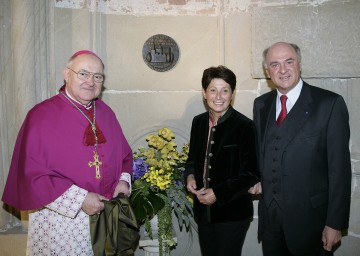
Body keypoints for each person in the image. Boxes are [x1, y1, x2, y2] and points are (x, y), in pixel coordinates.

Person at [2, 50, 133, 255]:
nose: (91, 81)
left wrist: (123, 181)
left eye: (97, 76)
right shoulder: (41, 115)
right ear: (67, 74)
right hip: (61, 221)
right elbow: (31, 174)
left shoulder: (106, 113)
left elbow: (124, 155)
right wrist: (80, 199)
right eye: (83, 74)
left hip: (104, 215)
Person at [250, 42, 351, 256]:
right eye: (275, 65)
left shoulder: (329, 104)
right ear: (267, 71)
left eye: (289, 61)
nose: (283, 70)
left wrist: (335, 223)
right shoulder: (261, 105)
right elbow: (262, 153)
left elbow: (339, 170)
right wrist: (255, 178)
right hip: (271, 222)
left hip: (311, 224)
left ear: (300, 64)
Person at [185, 65, 259, 256]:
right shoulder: (198, 122)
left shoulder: (245, 126)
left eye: (224, 90)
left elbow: (252, 173)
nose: (218, 96)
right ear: (204, 93)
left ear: (232, 93)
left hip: (232, 213)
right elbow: (192, 158)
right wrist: (190, 176)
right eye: (213, 90)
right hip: (203, 212)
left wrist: (217, 193)